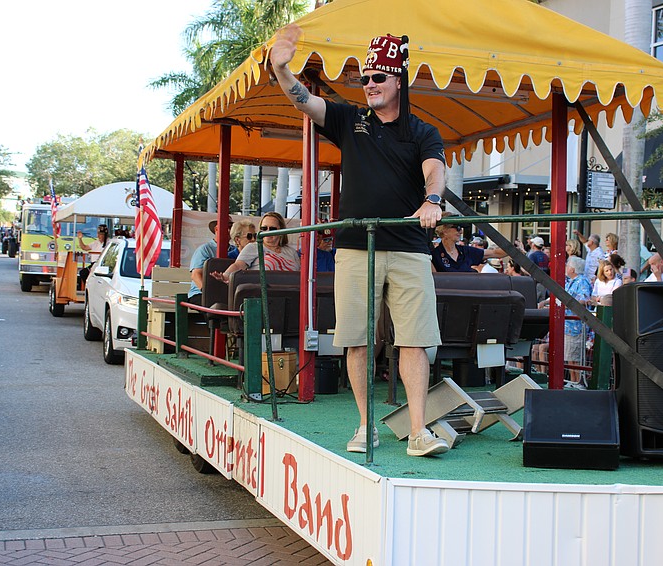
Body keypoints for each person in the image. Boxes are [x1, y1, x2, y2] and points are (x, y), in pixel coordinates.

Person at [270, 27, 449, 457]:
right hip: (355, 247)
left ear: (397, 82)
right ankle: (366, 426)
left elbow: (435, 169)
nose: (369, 84)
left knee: (415, 339)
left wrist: (433, 200)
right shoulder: (351, 120)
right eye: (365, 78)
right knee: (356, 339)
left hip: (409, 247)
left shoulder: (422, 131)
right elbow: (304, 100)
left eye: (378, 78)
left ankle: (419, 431)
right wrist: (281, 68)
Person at [539, 256, 592, 387]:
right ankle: (573, 380)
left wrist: (566, 304)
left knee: (576, 356)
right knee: (569, 356)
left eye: (568, 265)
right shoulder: (570, 281)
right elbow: (559, 296)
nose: (566, 268)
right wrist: (546, 302)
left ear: (573, 269)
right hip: (567, 326)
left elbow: (584, 300)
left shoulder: (582, 281)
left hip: (576, 326)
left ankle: (578, 381)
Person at [213, 212, 300, 283]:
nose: (267, 231)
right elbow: (239, 265)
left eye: (272, 229)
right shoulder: (253, 247)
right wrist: (225, 275)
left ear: (281, 231)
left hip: (291, 294)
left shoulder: (291, 252)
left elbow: (300, 274)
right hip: (262, 294)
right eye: (264, 228)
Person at [430, 217, 500, 272]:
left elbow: (495, 253)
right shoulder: (433, 255)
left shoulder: (466, 251)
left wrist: (509, 248)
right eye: (458, 228)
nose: (461, 231)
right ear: (445, 230)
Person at [188, 219, 229, 306]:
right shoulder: (204, 250)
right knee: (214, 308)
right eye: (227, 227)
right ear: (217, 229)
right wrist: (207, 294)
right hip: (200, 294)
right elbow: (196, 275)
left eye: (231, 227)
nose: (230, 230)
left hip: (224, 295)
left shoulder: (234, 250)